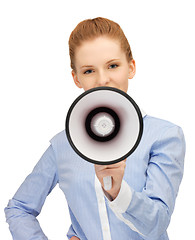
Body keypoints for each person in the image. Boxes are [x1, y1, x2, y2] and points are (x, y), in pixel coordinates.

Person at [5, 17, 185, 240]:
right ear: (76, 78)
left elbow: (157, 224)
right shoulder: (62, 145)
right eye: (89, 71)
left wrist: (118, 192)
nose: (103, 79)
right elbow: (19, 208)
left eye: (113, 65)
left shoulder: (164, 136)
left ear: (131, 67)